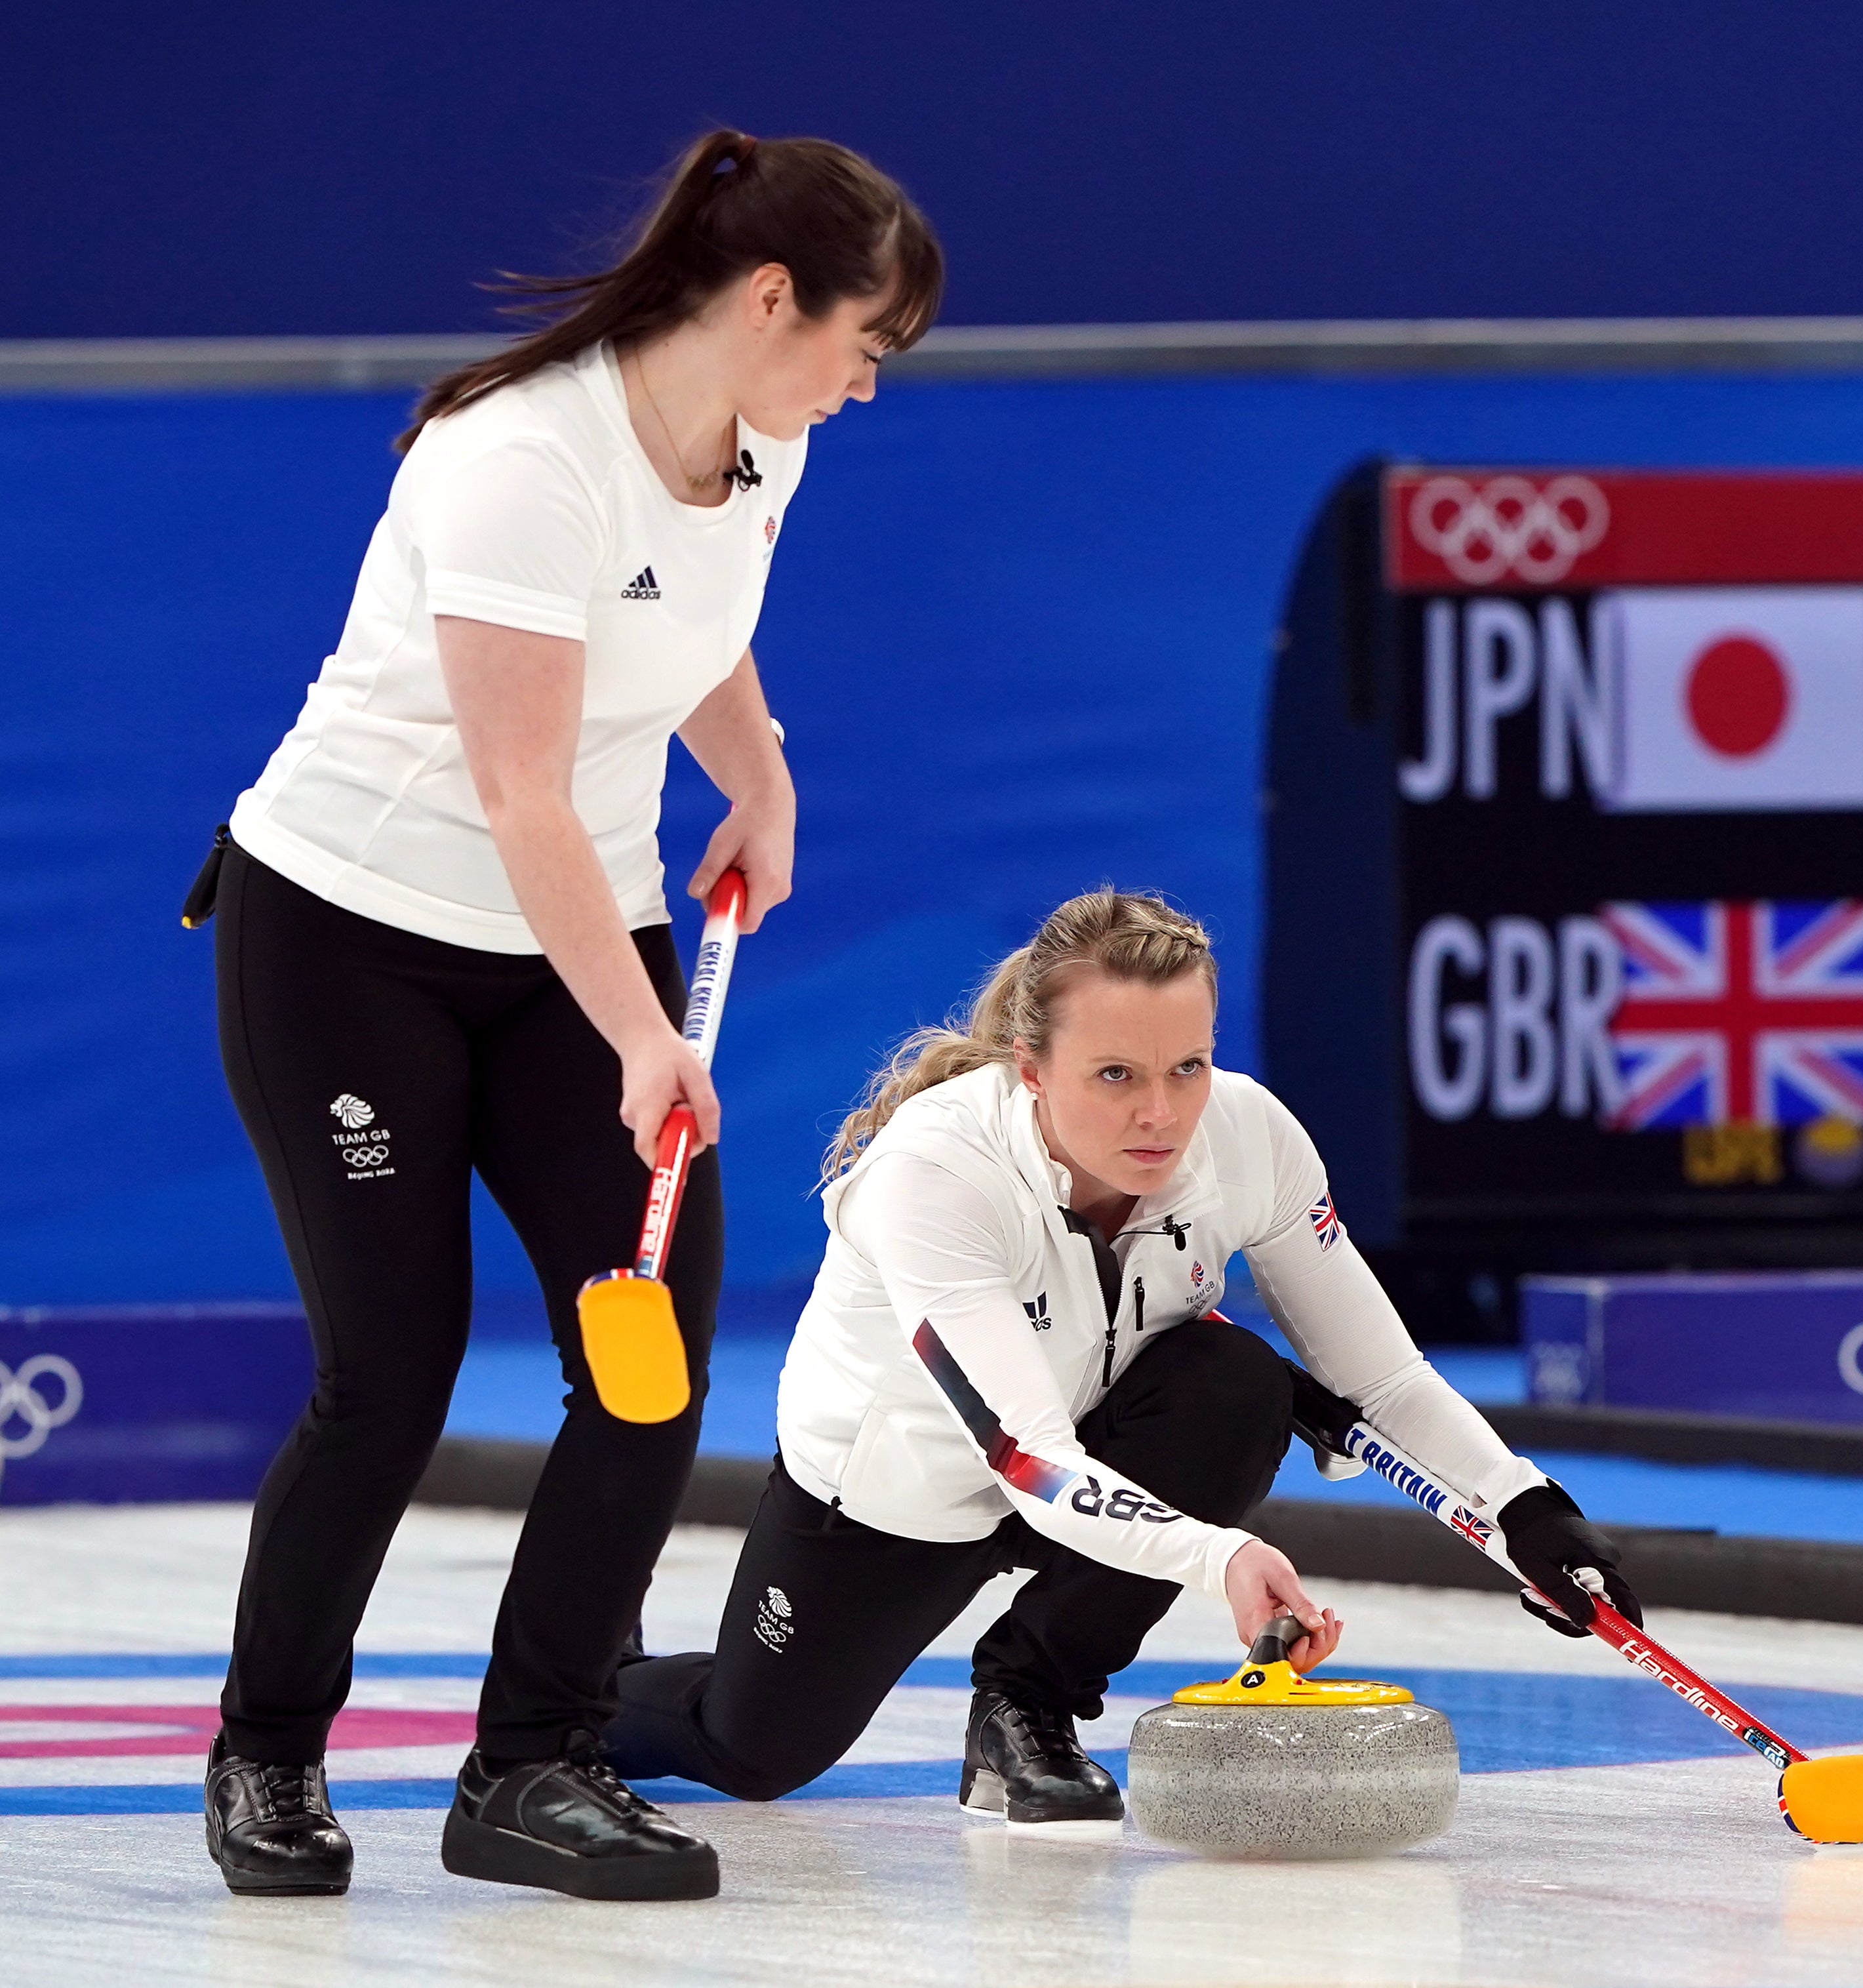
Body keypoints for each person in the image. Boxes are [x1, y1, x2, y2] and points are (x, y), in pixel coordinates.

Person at [193, 131, 942, 1900]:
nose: (862, 385)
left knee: (648, 1352)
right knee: (391, 1374)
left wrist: (753, 772)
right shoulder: (519, 455)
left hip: (573, 938)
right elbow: (521, 787)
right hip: (346, 936)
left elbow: (684, 629)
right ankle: (268, 1754)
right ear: (770, 299)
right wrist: (638, 1033)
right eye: (864, 343)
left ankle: (532, 1765)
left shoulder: (761, 447)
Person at [604, 890, 1641, 1829]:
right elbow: (1029, 1460)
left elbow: (1382, 1379)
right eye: (1116, 1076)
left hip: (1102, 1447)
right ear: (1031, 1070)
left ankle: (1028, 1707)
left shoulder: (1249, 1138)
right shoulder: (935, 1175)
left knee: (1239, 1386)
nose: (1162, 1115)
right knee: (752, 1751)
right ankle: (580, 1685)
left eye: (1187, 1067)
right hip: (898, 1500)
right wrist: (1219, 1557)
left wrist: (1527, 1513)